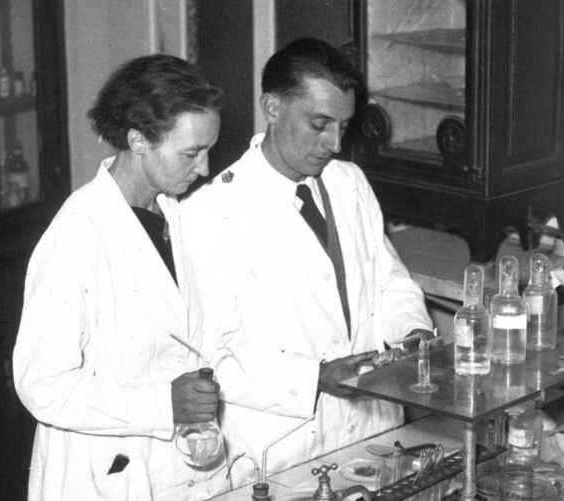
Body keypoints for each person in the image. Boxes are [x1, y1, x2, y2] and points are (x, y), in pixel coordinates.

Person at [179, 37, 433, 474]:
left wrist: (412, 335)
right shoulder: (208, 213)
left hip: (374, 430)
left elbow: (390, 283)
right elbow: (214, 355)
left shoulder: (349, 182)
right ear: (272, 108)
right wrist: (314, 377)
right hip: (283, 449)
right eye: (319, 123)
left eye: (344, 125)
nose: (334, 142)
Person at [14, 54, 227, 501]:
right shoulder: (76, 237)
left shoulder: (175, 214)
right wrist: (162, 405)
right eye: (191, 153)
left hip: (174, 473)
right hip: (103, 486)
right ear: (137, 140)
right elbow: (41, 384)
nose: (205, 169)